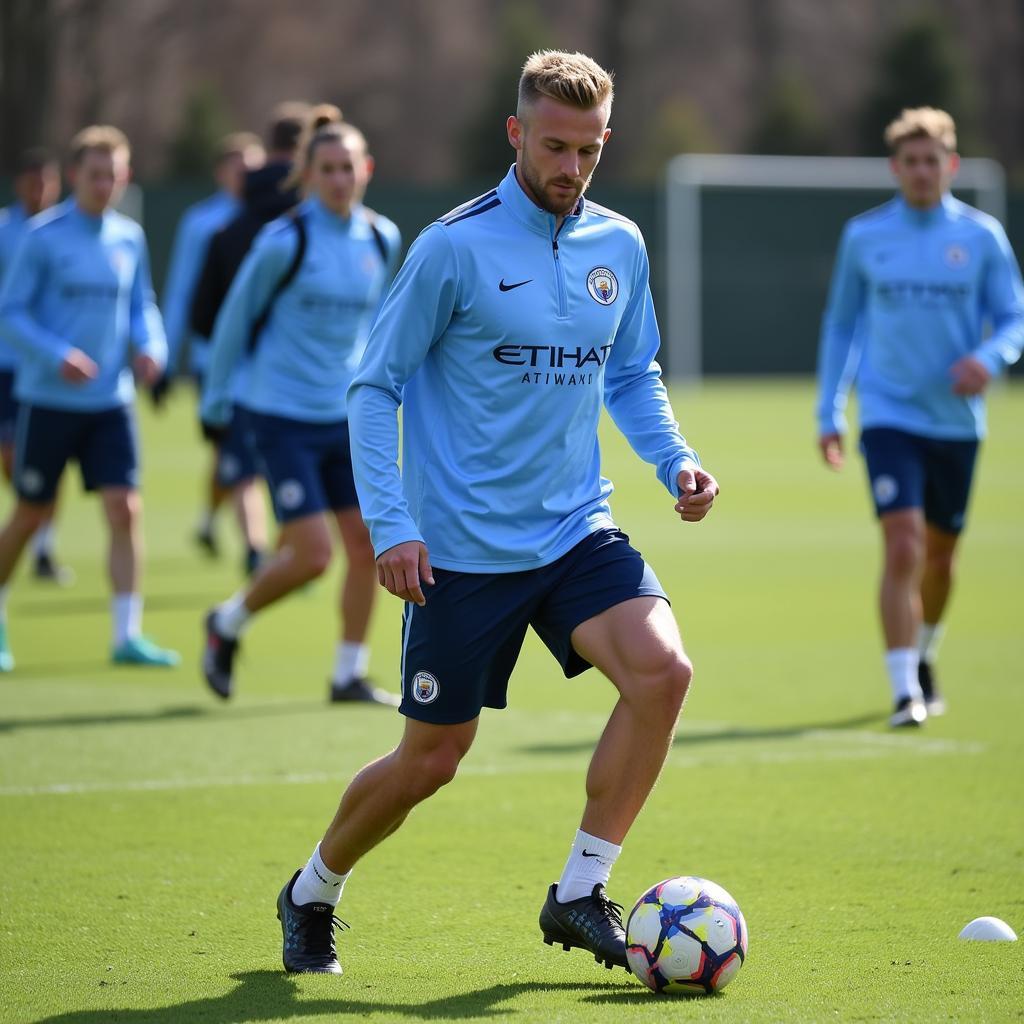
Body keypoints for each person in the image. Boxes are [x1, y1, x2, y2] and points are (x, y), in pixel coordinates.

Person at [273, 50, 719, 976]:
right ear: (516, 134)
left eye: (589, 152)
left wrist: (675, 460)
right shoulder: (451, 247)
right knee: (430, 761)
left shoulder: (620, 246)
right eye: (554, 147)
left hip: (574, 531)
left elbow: (632, 373)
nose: (571, 169)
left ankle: (578, 891)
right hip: (461, 552)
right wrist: (392, 524)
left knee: (663, 673)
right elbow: (374, 385)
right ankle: (313, 887)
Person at [816, 107, 1024, 728]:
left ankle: (926, 651)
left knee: (939, 559)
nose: (922, 171)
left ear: (951, 166)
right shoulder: (864, 236)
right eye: (910, 161)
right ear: (895, 169)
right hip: (888, 414)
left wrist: (989, 358)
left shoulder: (982, 237)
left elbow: (1015, 317)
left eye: (932, 160)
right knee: (902, 545)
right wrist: (829, 408)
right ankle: (904, 687)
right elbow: (841, 325)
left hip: (957, 421)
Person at [200, 121, 401, 705]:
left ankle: (348, 674)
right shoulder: (284, 241)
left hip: (344, 416)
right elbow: (235, 320)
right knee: (314, 555)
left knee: (367, 547)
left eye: (350, 167)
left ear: (366, 170)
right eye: (328, 169)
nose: (340, 179)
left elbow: (376, 327)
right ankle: (229, 621)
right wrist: (215, 401)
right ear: (307, 176)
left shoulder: (381, 238)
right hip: (280, 415)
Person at [0, 125, 179, 671]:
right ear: (74, 175)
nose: (105, 184)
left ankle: (127, 635)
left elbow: (141, 304)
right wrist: (57, 355)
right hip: (49, 400)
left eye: (115, 175)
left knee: (125, 510)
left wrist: (151, 346)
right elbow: (11, 313)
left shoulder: (129, 236)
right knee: (31, 514)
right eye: (95, 174)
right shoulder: (43, 237)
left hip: (111, 403)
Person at [189, 103, 313, 578]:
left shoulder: (230, 226)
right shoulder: (321, 228)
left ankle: (260, 547)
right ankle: (274, 551)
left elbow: (204, 314)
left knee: (241, 469)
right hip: (314, 387)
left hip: (242, 377)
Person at [157, 132, 266, 563]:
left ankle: (209, 521)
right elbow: (183, 290)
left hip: (263, 362)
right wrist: (166, 355)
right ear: (220, 171)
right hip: (215, 360)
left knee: (234, 451)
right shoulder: (201, 222)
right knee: (238, 449)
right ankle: (256, 547)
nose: (244, 174)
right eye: (236, 165)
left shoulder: (272, 220)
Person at [0, 148, 72, 584]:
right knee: (11, 456)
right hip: (5, 363)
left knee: (50, 460)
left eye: (47, 180)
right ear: (19, 185)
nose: (40, 189)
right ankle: (31, 518)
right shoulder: (4, 231)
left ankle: (44, 546)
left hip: (49, 365)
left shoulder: (65, 231)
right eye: (33, 181)